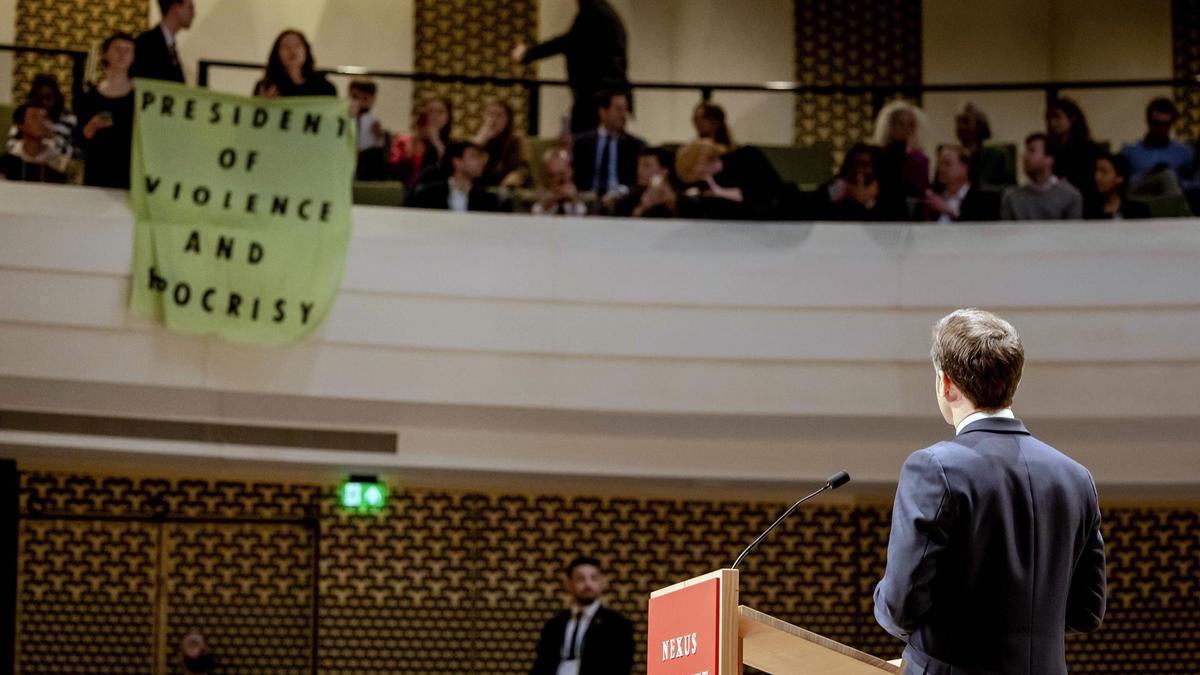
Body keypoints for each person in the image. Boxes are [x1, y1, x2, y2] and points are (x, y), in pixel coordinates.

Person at [874, 308, 1106, 674]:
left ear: (945, 383)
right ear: (1014, 380)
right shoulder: (1076, 479)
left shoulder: (934, 469)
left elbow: (900, 607)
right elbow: (1087, 612)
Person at [513, 0, 629, 134]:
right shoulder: (605, 13)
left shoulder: (593, 12)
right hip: (602, 94)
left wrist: (527, 54)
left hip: (595, 97)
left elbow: (568, 42)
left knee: (586, 144)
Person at [529, 556, 634, 675]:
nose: (588, 584)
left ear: (601, 582)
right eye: (580, 579)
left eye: (593, 578)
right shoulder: (554, 624)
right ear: (569, 584)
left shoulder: (617, 624)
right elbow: (541, 664)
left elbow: (621, 667)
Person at [77, 33, 136, 189]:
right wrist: (93, 125)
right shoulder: (90, 96)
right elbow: (79, 139)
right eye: (117, 49)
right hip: (96, 172)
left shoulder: (139, 98)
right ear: (106, 53)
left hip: (128, 174)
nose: (122, 55)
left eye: (128, 50)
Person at [571, 91, 645, 198]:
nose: (623, 115)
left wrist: (621, 192)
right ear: (602, 112)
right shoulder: (581, 142)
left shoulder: (635, 145)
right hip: (587, 198)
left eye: (625, 110)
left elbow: (638, 182)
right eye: (618, 109)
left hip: (621, 200)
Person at [1001, 134, 1083, 221]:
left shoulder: (1070, 196)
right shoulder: (1011, 197)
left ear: (1049, 159)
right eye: (1026, 151)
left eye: (1032, 151)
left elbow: (1072, 233)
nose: (1025, 156)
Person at [813, 143, 905, 221]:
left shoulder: (888, 190)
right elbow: (816, 208)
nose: (859, 170)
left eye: (865, 166)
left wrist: (868, 202)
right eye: (855, 164)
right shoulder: (838, 185)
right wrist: (839, 191)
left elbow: (893, 221)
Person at [405, 141, 504, 213]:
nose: (480, 162)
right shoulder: (428, 194)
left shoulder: (487, 199)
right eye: (474, 157)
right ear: (457, 162)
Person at [1119, 97, 1195, 191]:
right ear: (1148, 121)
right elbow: (1120, 182)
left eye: (1165, 124)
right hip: (1140, 200)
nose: (1160, 128)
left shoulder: (1184, 152)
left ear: (1172, 123)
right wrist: (1147, 175)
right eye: (1156, 123)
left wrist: (1176, 180)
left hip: (1174, 200)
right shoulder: (1130, 152)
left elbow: (1194, 183)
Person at [7, 74, 77, 161]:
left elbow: (72, 152)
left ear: (56, 97)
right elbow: (10, 147)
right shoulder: (25, 117)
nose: (44, 102)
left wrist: (49, 137)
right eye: (40, 98)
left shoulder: (69, 120)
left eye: (48, 97)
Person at [924, 146, 1000, 222]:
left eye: (947, 164)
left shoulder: (984, 201)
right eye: (940, 164)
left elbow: (979, 229)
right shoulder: (933, 197)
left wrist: (950, 212)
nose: (941, 169)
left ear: (964, 168)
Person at [389, 97, 453, 187]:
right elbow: (394, 171)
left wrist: (436, 141)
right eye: (431, 111)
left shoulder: (451, 145)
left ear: (448, 117)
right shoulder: (405, 141)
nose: (435, 116)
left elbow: (450, 172)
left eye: (440, 112)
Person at [874, 100, 930, 200]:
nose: (906, 129)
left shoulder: (920, 159)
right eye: (901, 124)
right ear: (890, 126)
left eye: (911, 125)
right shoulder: (877, 154)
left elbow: (920, 191)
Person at [253, 30, 336, 98]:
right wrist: (262, 104)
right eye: (285, 46)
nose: (292, 51)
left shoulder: (324, 87)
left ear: (306, 50)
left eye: (297, 45)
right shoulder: (266, 87)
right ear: (277, 53)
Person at [1045, 97, 1101, 195]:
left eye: (1057, 117)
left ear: (1073, 118)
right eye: (1050, 119)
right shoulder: (1049, 148)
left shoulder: (1088, 148)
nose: (1052, 123)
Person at [0, 104, 69, 183]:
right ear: (20, 125)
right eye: (34, 117)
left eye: (44, 117)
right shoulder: (9, 161)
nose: (41, 122)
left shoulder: (59, 162)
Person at [472, 99, 531, 189]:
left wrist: (516, 175)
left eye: (499, 115)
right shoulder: (478, 141)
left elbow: (524, 168)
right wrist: (479, 142)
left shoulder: (515, 141)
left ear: (508, 120)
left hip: (506, 188)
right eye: (490, 114)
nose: (493, 119)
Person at [131, 0, 194, 84]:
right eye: (190, 8)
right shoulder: (146, 44)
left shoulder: (170, 45)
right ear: (175, 8)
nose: (193, 14)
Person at [956, 102, 1014, 190]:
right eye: (959, 121)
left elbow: (1010, 187)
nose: (960, 126)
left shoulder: (997, 155)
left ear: (980, 126)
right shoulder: (950, 156)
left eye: (966, 122)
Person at [613, 147, 677, 218]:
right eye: (639, 165)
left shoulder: (680, 199)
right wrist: (643, 207)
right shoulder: (627, 200)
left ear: (664, 171)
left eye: (646, 165)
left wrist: (672, 205)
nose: (639, 170)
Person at [1086, 153, 1151, 220]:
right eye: (1096, 171)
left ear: (1120, 178)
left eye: (1103, 172)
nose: (1097, 177)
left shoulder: (1138, 211)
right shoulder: (1089, 209)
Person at [350, 79, 391, 181]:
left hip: (365, 164)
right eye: (355, 97)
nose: (359, 102)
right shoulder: (345, 119)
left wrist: (380, 137)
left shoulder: (373, 122)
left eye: (364, 98)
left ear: (372, 99)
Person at [533, 147, 588, 216]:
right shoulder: (539, 196)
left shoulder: (585, 196)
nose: (557, 179)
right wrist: (547, 204)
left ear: (570, 171)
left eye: (561, 174)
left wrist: (574, 201)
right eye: (552, 175)